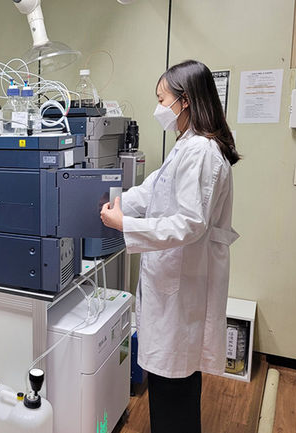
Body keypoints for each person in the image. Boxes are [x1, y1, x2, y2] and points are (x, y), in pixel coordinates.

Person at [100, 59, 241, 433]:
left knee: (173, 395)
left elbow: (190, 223)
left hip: (181, 289)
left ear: (186, 100)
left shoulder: (201, 151)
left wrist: (125, 224)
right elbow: (153, 190)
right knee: (170, 388)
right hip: (172, 284)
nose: (159, 107)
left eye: (162, 99)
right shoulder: (187, 146)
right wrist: (115, 203)